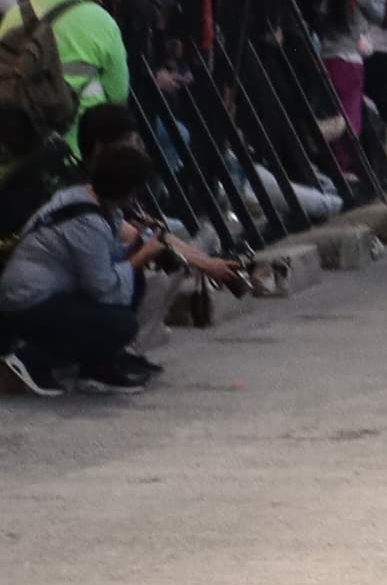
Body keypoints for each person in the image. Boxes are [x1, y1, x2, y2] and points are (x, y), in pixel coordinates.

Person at [0, 137, 236, 394]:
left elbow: (116, 255)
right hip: (30, 301)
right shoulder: (87, 221)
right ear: (129, 190)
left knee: (133, 283)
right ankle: (30, 360)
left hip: (50, 293)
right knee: (121, 324)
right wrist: (142, 255)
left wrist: (139, 247)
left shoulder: (95, 204)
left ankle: (99, 367)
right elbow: (103, 288)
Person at [4, 0, 132, 159]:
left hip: (15, 151)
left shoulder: (13, 16)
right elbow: (118, 94)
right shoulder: (100, 20)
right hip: (74, 154)